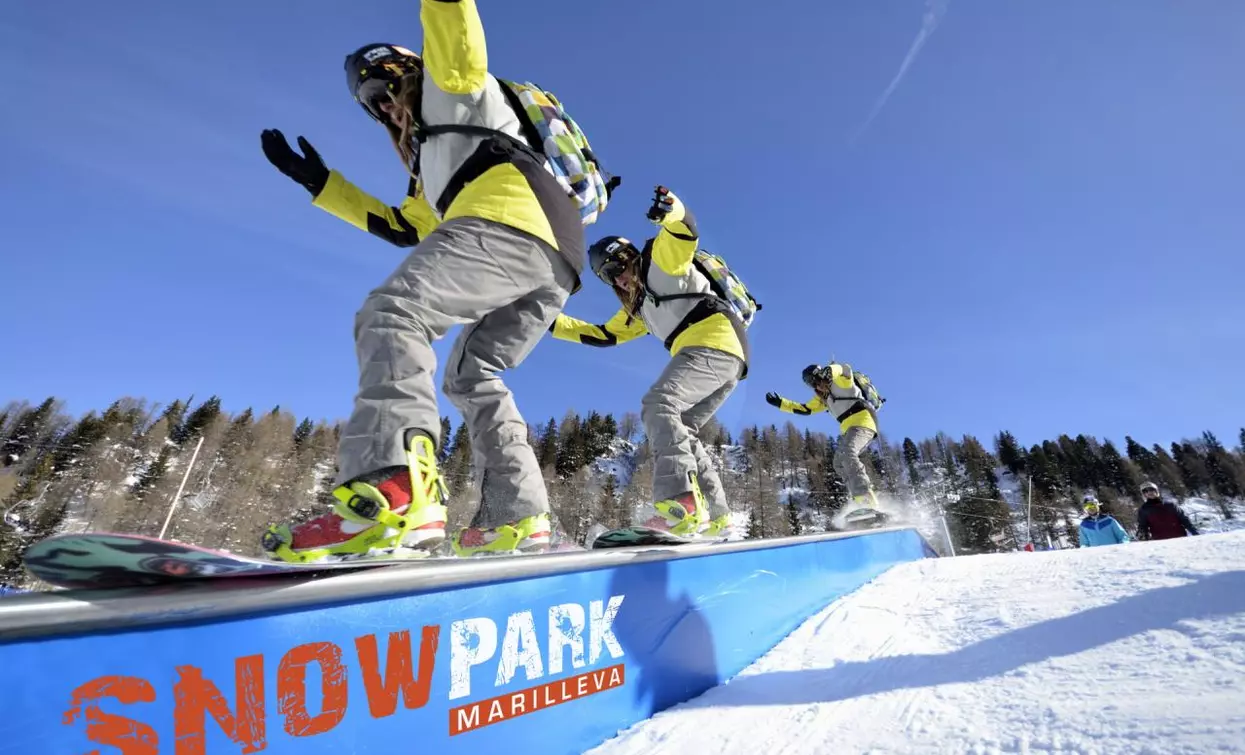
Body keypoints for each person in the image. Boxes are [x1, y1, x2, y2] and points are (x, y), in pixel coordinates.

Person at [258, 0, 591, 562]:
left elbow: (451, 15)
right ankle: (520, 516)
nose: (387, 104)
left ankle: (390, 493)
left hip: (510, 222)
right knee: (471, 374)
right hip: (556, 257)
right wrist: (320, 183)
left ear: (411, 66)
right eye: (373, 102)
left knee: (393, 313)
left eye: (388, 84)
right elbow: (404, 227)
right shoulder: (430, 162)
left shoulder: (453, 82)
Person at [550, 186, 746, 538]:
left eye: (620, 266)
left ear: (630, 255)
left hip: (713, 343)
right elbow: (602, 335)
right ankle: (718, 516)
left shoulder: (662, 263)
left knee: (659, 403)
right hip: (723, 360)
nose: (621, 277)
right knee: (682, 429)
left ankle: (679, 502)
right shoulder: (640, 310)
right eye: (611, 276)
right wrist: (549, 320)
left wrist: (671, 209)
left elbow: (684, 230)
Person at [765, 363, 882, 512]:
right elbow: (806, 409)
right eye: (810, 384)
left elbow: (845, 369)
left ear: (820, 375)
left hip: (863, 422)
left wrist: (830, 371)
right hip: (850, 429)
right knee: (838, 464)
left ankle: (865, 497)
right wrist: (781, 403)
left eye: (815, 380)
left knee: (848, 453)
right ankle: (860, 499)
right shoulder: (824, 399)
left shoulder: (840, 382)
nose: (814, 386)